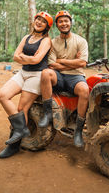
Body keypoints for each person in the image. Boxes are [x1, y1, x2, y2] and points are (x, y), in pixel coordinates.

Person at [0, 11, 53, 158]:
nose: (39, 22)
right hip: (23, 73)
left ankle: (14, 145)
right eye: (38, 19)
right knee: (2, 95)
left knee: (22, 108)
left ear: (47, 26)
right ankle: (21, 129)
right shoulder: (26, 37)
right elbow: (15, 56)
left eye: (43, 21)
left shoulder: (46, 40)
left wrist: (23, 57)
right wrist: (27, 58)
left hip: (37, 75)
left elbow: (37, 60)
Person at [38, 10, 89, 148]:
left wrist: (61, 61)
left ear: (71, 22)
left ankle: (78, 131)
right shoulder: (53, 42)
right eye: (60, 21)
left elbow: (82, 63)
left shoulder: (81, 41)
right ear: (57, 25)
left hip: (76, 76)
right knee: (46, 73)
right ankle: (48, 114)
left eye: (66, 21)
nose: (64, 24)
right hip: (59, 77)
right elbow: (51, 64)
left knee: (85, 90)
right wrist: (73, 62)